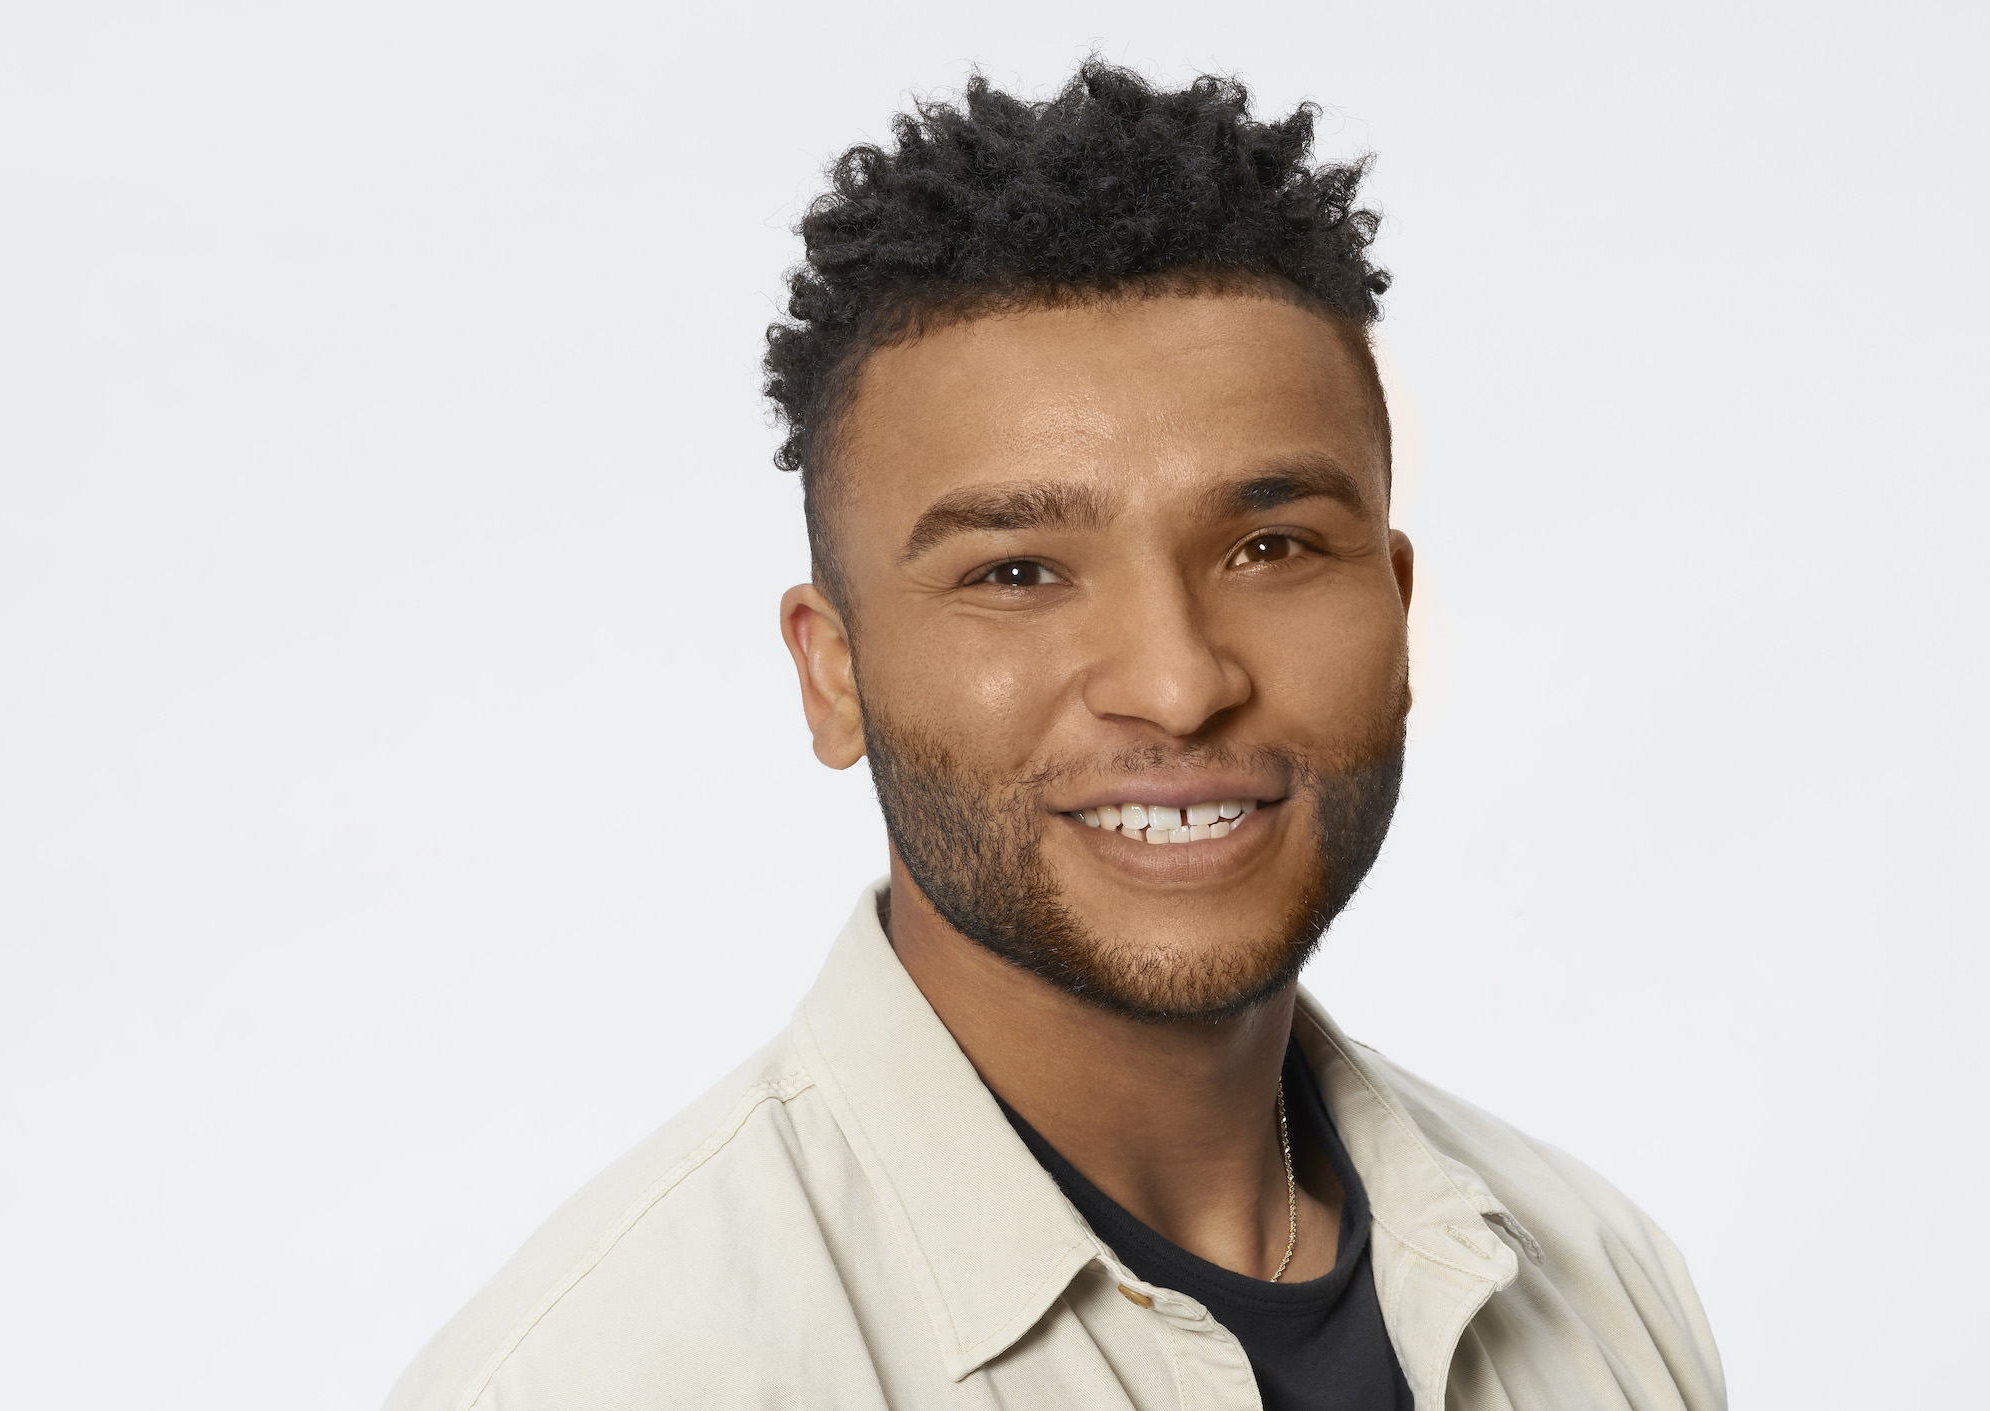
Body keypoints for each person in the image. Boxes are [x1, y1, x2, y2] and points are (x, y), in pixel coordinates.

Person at [384, 62, 1725, 1411]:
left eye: (1271, 547)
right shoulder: (607, 1377)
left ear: (1398, 602)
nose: (1180, 682)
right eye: (1017, 572)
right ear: (833, 675)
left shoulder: (1600, 1283)